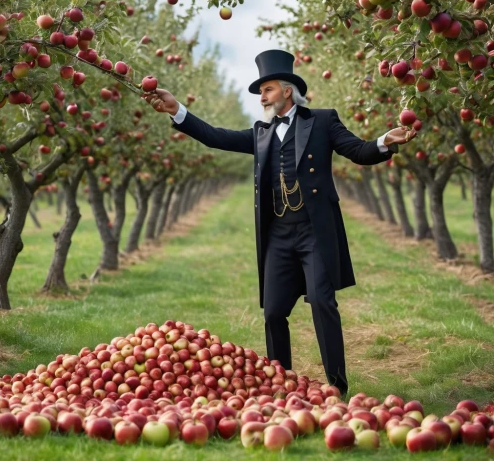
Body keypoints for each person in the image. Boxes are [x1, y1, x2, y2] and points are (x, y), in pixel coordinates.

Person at [144, 49, 417, 396]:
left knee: (321, 301)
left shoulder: (322, 121)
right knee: (273, 312)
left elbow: (358, 151)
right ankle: (282, 384)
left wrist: (383, 142)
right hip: (278, 234)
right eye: (261, 91)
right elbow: (215, 136)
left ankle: (337, 385)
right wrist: (176, 110)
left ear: (287, 90)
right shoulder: (259, 133)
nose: (262, 96)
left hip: (313, 231)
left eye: (268, 89)